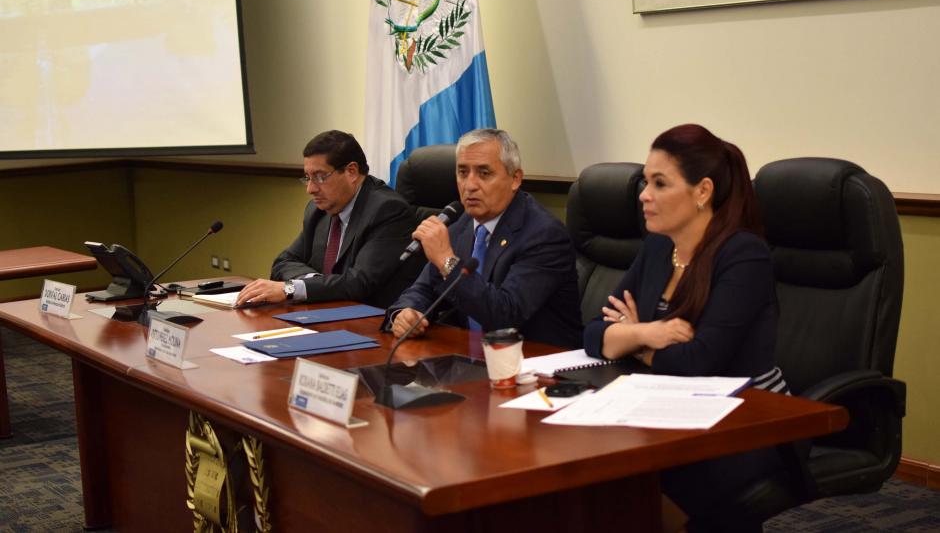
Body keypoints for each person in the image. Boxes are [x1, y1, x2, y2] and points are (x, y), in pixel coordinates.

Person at [583, 123, 787, 533]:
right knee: (595, 469)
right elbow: (591, 334)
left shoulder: (743, 254)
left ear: (702, 191)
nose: (644, 194)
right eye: (645, 181)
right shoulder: (659, 247)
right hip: (668, 404)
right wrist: (649, 334)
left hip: (747, 417)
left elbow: (699, 361)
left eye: (659, 183)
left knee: (643, 481)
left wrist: (631, 341)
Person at [386, 128, 581, 348]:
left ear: (515, 179)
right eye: (462, 172)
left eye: (484, 173)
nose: (469, 185)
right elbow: (422, 289)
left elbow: (504, 316)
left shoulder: (544, 235)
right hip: (470, 360)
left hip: (538, 363)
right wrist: (406, 313)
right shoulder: (461, 224)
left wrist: (447, 260)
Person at [236, 130, 421, 309]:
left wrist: (291, 289)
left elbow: (359, 283)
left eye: (319, 177)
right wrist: (316, 284)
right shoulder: (318, 210)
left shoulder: (387, 210)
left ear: (351, 172)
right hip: (325, 314)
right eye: (307, 178)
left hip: (372, 322)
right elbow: (283, 262)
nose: (310, 189)